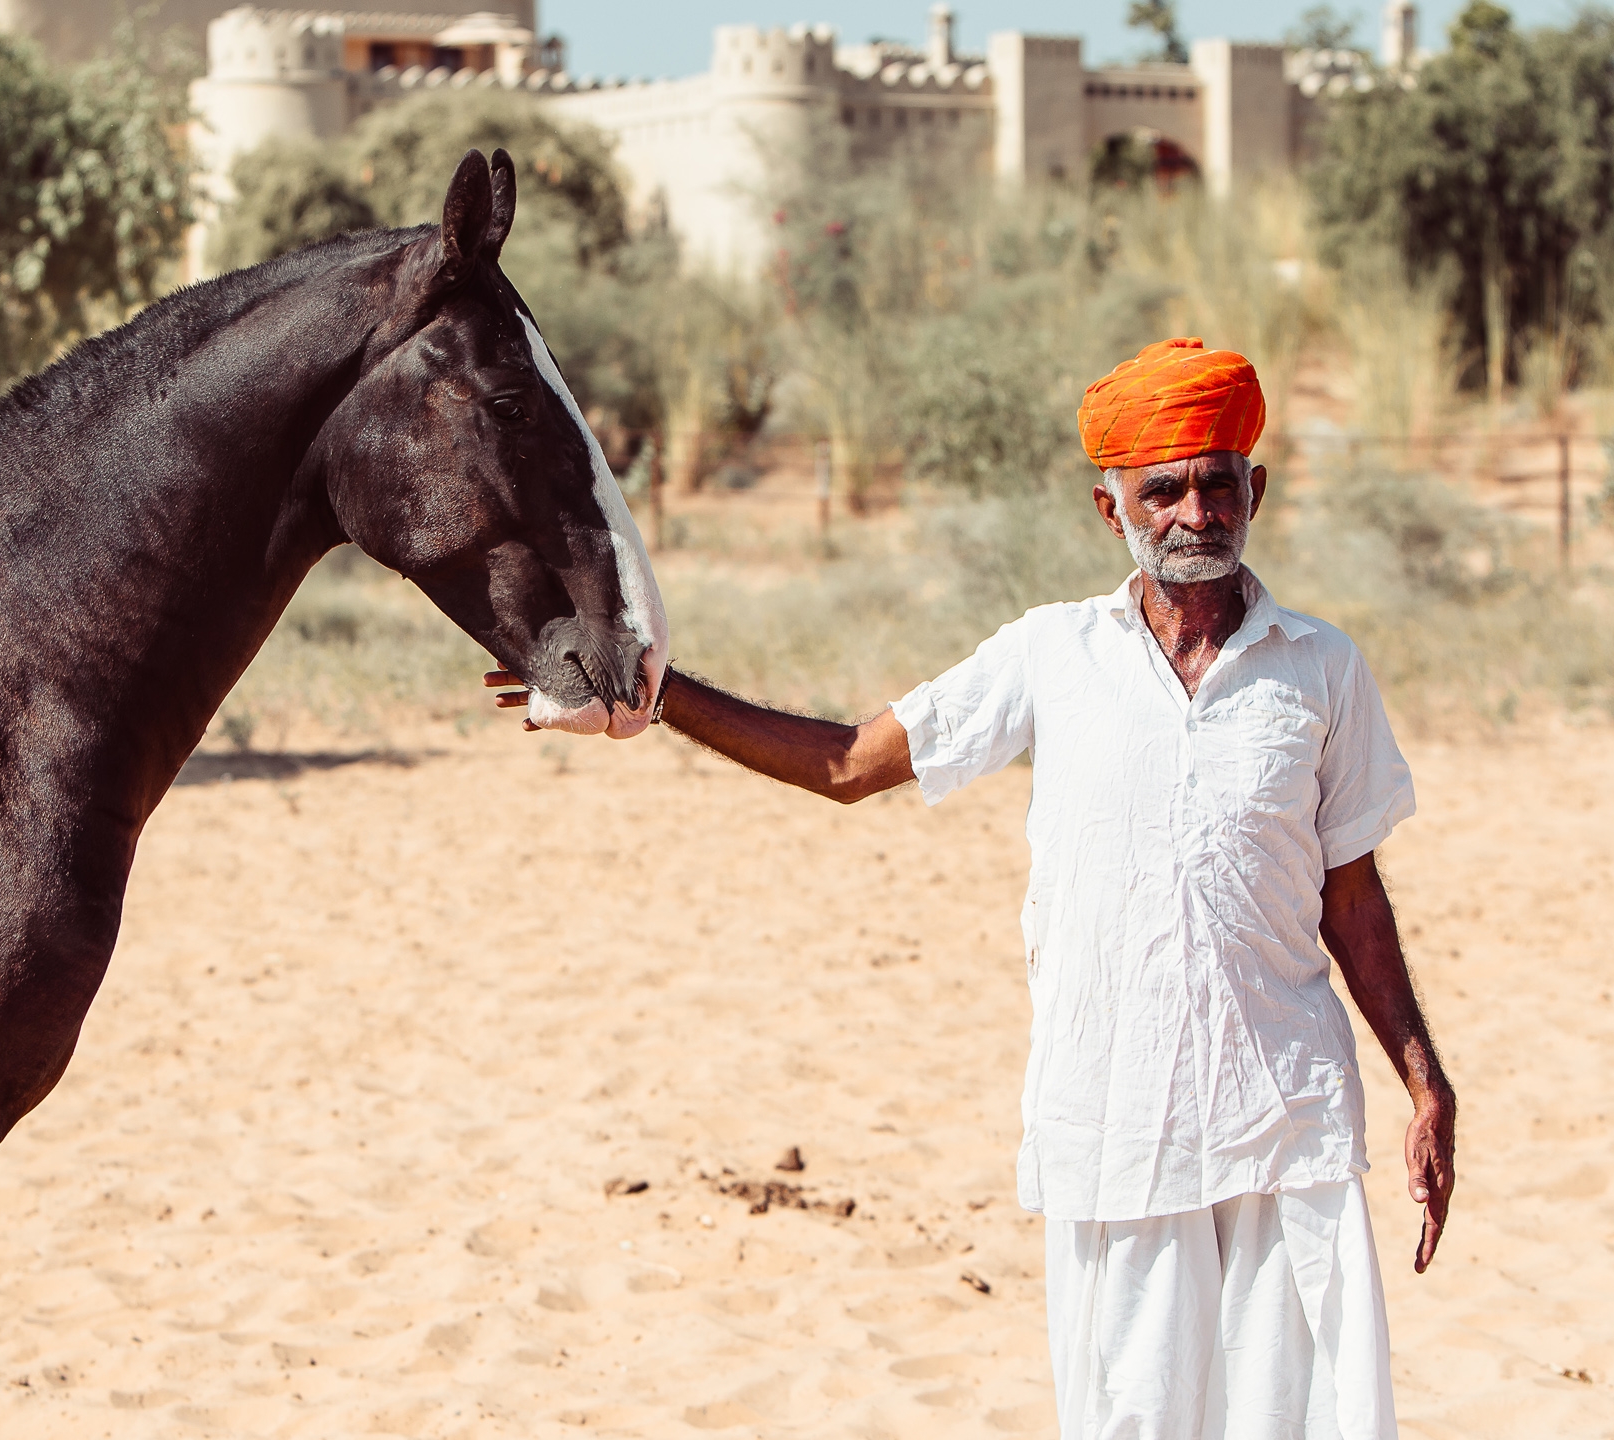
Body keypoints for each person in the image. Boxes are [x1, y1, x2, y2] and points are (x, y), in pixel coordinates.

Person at [487, 337, 1457, 1440]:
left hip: (1288, 1123)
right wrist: (658, 696)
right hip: (1117, 1128)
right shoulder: (1051, 655)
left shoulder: (1321, 668)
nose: (1196, 512)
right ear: (1110, 509)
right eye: (1163, 490)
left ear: (1256, 490)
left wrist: (1423, 1080)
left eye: (1217, 483)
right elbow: (848, 764)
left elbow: (1352, 897)